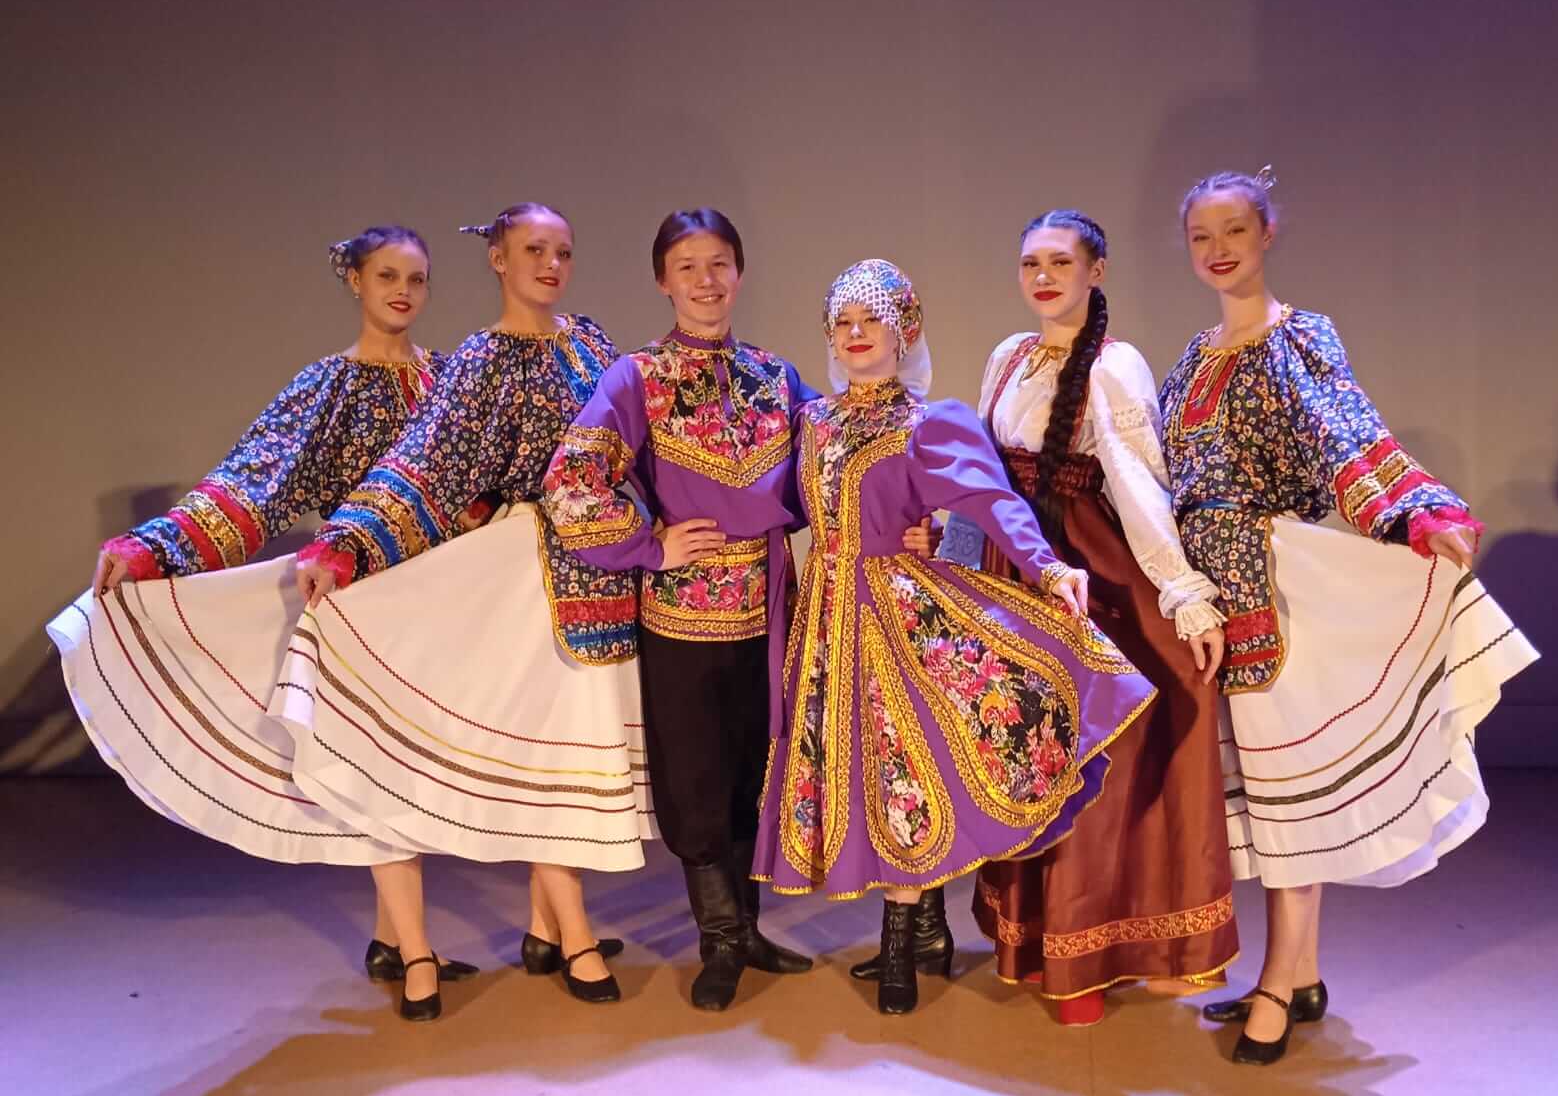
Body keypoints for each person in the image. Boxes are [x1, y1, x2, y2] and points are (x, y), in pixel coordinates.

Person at [1159, 168, 1537, 1064]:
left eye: (1234, 231)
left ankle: (1276, 986)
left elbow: (1344, 432)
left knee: (1289, 801)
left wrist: (1414, 510)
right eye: (1202, 236)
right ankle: (1302, 972)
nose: (1218, 250)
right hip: (1213, 593)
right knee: (1266, 796)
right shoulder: (1191, 358)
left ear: (1267, 233)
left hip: (1277, 587)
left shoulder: (1300, 336)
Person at [44, 225, 482, 994]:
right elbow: (253, 483)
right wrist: (154, 548)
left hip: (434, 601)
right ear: (356, 280)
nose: (403, 291)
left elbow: (480, 477)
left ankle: (391, 942)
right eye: (387, 275)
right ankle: (417, 954)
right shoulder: (326, 387)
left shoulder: (449, 382)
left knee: (410, 769)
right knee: (381, 774)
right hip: (354, 601)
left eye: (417, 278)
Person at [542, 211, 937, 1012]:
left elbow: (844, 470)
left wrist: (912, 526)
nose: (706, 280)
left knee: (758, 772)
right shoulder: (636, 377)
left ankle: (750, 931)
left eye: (719, 263)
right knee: (696, 781)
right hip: (682, 616)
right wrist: (650, 545)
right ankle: (720, 941)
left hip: (777, 615)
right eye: (687, 266)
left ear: (740, 273)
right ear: (663, 280)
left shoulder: (776, 377)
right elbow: (568, 483)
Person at [750, 258, 1158, 1016]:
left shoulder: (927, 422)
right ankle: (927, 933)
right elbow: (778, 502)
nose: (856, 335)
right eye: (843, 323)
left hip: (896, 617)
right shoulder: (812, 422)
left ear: (904, 331)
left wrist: (1044, 566)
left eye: (872, 321)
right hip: (826, 625)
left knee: (906, 772)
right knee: (865, 774)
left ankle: (900, 946)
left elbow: (990, 499)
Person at [290, 203, 650, 1017]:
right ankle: (566, 934)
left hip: (595, 573)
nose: (551, 265)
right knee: (548, 754)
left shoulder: (591, 343)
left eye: (563, 251)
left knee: (580, 752)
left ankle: (544, 928)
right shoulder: (480, 359)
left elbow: (639, 443)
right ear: (498, 260)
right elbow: (428, 461)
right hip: (515, 576)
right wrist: (346, 544)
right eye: (534, 249)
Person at [930, 210, 1238, 1026]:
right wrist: (957, 578)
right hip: (1019, 569)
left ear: (1095, 272)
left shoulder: (1115, 364)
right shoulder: (1009, 356)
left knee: (1097, 768)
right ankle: (1041, 947)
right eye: (1031, 263)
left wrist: (1183, 594)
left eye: (1060, 262)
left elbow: (1138, 487)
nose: (1043, 277)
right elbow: (983, 480)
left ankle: (1095, 959)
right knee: (1030, 759)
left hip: (1092, 573)